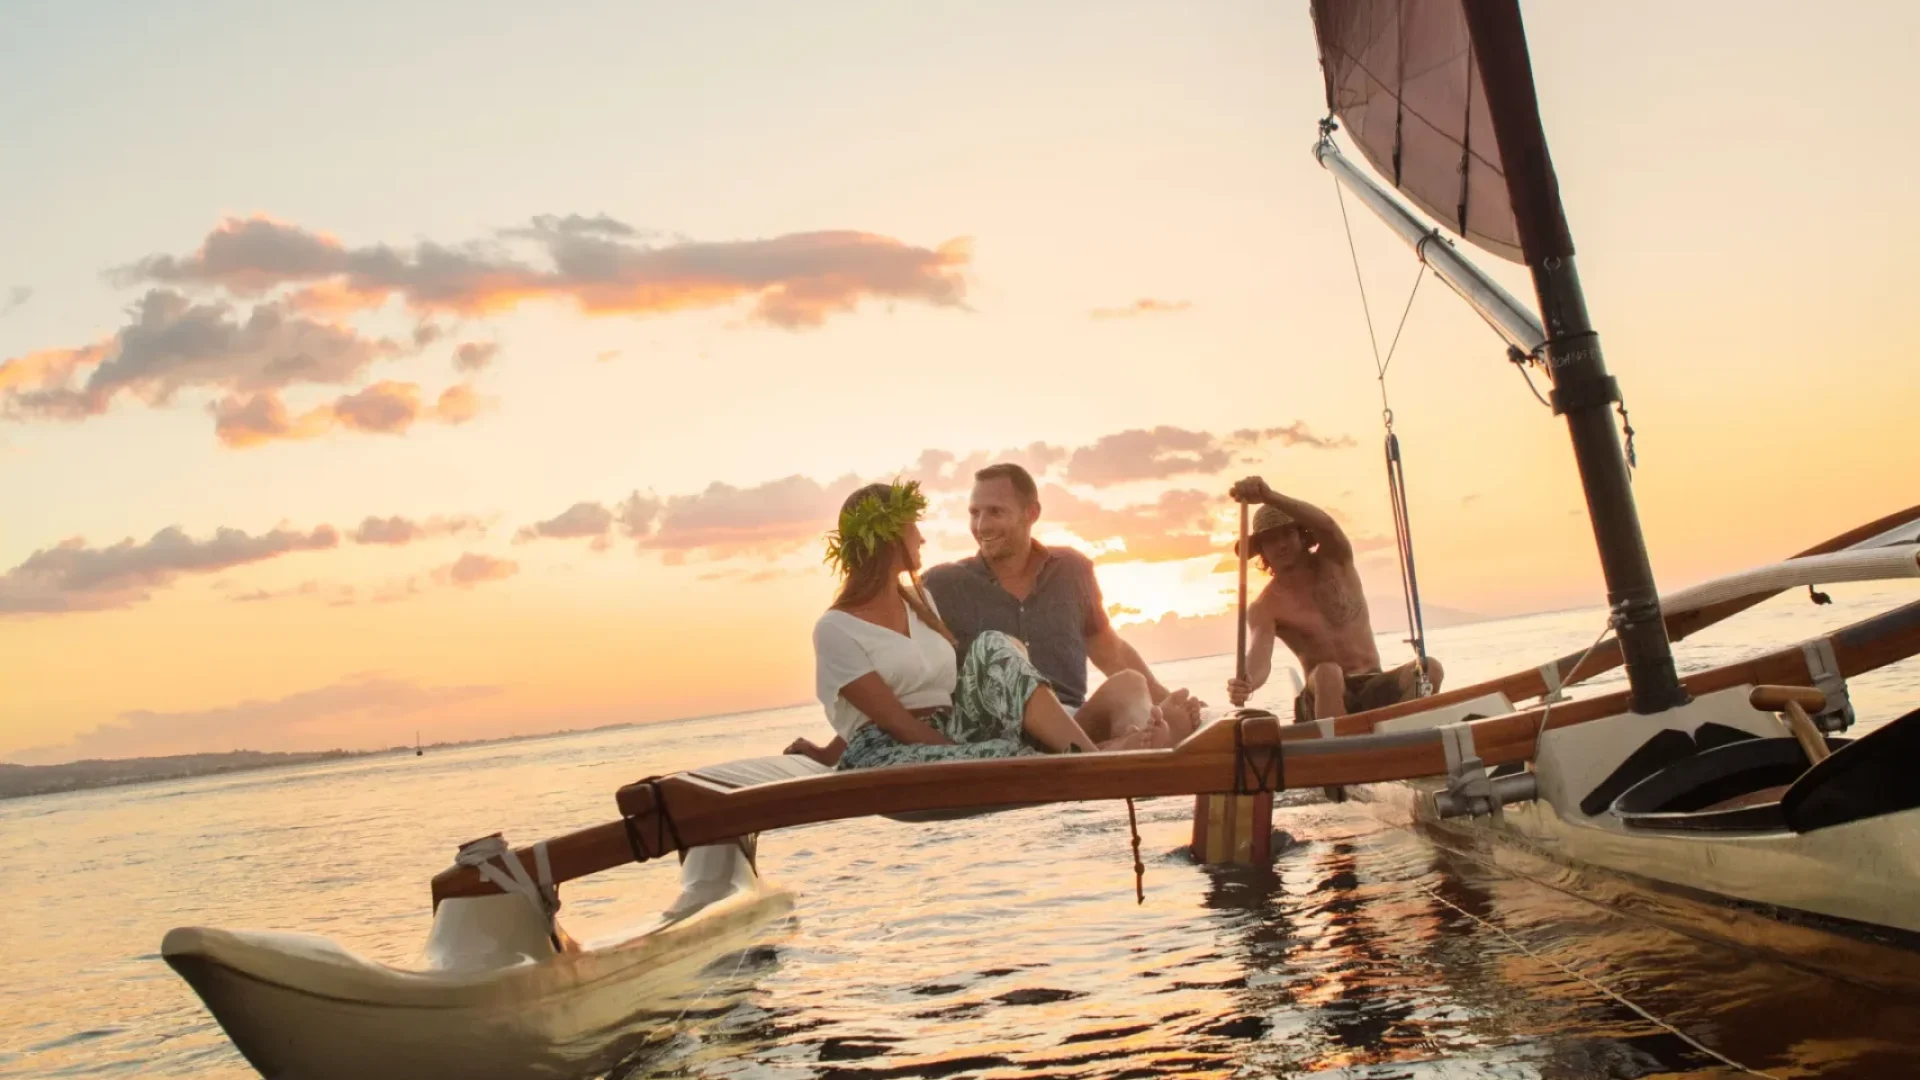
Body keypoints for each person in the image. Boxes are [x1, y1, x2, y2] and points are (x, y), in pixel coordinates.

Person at [801, 480, 1152, 772]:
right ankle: (1097, 760)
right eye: (912, 527)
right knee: (1003, 755)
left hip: (951, 726)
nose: (921, 538)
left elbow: (951, 683)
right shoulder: (835, 629)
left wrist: (970, 735)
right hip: (888, 748)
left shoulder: (922, 603)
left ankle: (1094, 756)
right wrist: (963, 751)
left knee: (994, 643)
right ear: (888, 538)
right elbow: (893, 720)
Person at [1225, 475, 1443, 722]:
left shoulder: (1337, 559)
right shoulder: (1265, 606)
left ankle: (1410, 743)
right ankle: (1337, 751)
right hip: (1321, 697)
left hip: (1374, 682)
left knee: (1429, 667)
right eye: (1271, 539)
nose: (1281, 544)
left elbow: (1326, 525)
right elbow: (1258, 655)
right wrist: (1248, 681)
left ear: (1302, 535)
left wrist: (1268, 496)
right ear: (1261, 550)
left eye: (1287, 534)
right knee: (1329, 673)